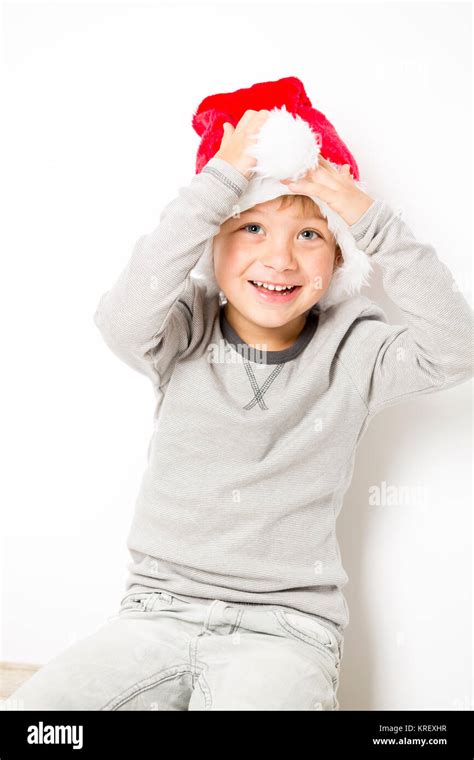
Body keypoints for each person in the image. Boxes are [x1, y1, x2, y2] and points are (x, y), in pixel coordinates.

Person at [7, 76, 473, 711]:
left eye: (309, 235)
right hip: (156, 611)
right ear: (213, 246)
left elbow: (457, 346)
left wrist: (371, 218)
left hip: (284, 630)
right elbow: (121, 317)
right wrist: (220, 181)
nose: (279, 259)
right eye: (251, 228)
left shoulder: (355, 346)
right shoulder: (184, 327)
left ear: (339, 258)